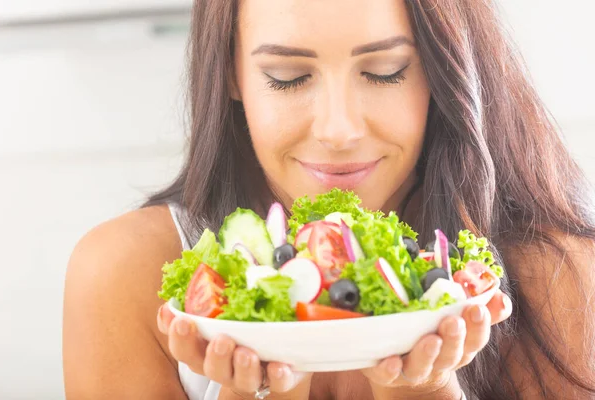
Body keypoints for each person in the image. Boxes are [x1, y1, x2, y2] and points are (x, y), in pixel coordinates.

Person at [62, 0, 595, 399]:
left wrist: (425, 390)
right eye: (288, 78)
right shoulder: (123, 274)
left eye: (384, 71)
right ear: (231, 73)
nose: (338, 129)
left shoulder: (562, 276)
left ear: (443, 70)